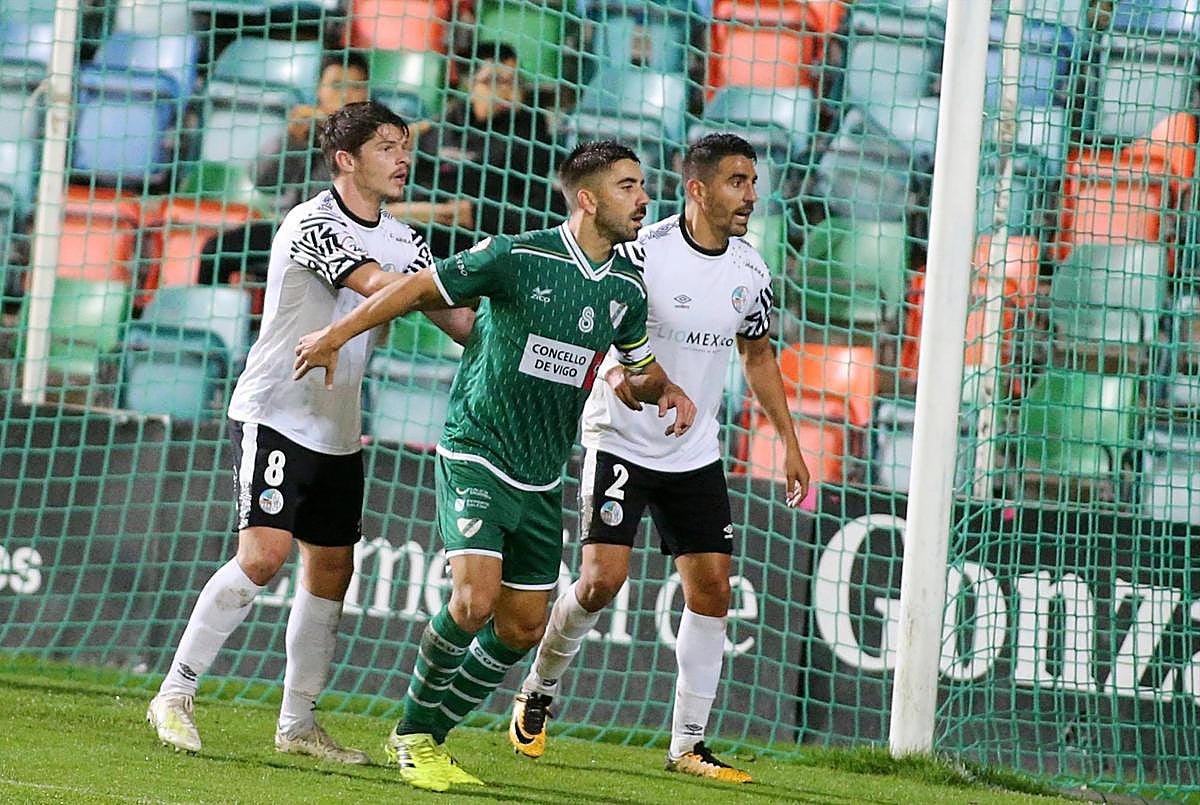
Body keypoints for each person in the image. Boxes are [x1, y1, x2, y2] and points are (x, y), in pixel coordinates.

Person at [292, 140, 698, 792]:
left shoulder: (626, 288)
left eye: (642, 185)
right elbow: (414, 290)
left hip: (543, 470)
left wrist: (665, 389)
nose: (643, 199)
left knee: (523, 625)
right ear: (588, 199)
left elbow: (639, 367)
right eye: (628, 187)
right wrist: (335, 334)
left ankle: (429, 734)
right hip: (477, 447)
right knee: (475, 599)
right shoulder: (513, 255)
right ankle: (414, 733)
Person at [146, 101, 473, 761]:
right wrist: (438, 287)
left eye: (404, 145)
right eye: (387, 147)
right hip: (275, 412)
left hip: (340, 428)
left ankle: (297, 725)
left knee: (331, 570)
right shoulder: (312, 221)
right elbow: (379, 286)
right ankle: (175, 692)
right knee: (263, 555)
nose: (403, 158)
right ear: (345, 159)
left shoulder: (408, 239)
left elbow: (461, 324)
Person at [507, 133, 810, 784]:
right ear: (697, 188)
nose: (751, 196)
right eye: (737, 182)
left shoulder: (751, 272)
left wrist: (789, 441)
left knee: (712, 589)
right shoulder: (645, 253)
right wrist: (613, 374)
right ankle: (538, 685)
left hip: (693, 450)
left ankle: (688, 744)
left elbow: (758, 357)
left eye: (754, 183)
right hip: (619, 437)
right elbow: (602, 316)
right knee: (600, 582)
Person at [402, 40, 566, 258]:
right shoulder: (447, 123)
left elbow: (545, 208)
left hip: (481, 244)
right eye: (495, 81)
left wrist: (477, 214)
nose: (508, 91)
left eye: (515, 81)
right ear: (470, 84)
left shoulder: (531, 132)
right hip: (420, 231)